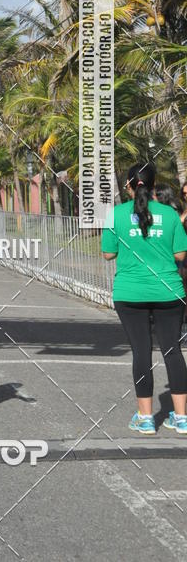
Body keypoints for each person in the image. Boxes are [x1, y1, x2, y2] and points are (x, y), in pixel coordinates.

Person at [101, 162, 187, 434]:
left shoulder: (116, 214)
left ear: (128, 185)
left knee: (141, 351)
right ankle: (182, 418)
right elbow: (180, 255)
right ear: (153, 185)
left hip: (130, 293)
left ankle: (146, 417)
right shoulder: (170, 214)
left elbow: (108, 253)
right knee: (172, 350)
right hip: (168, 291)